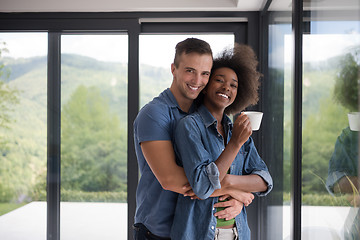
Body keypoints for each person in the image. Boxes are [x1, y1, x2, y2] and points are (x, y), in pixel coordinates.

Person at [133, 38, 246, 240]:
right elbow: (170, 180)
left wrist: (236, 197)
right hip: (158, 232)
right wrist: (236, 191)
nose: (197, 81)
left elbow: (223, 169)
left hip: (194, 230)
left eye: (205, 74)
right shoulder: (154, 114)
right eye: (190, 70)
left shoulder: (205, 115)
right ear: (173, 69)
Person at [171, 44, 273, 240]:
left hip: (237, 233)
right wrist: (234, 144)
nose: (227, 87)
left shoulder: (237, 131)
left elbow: (264, 181)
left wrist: (230, 185)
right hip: (198, 234)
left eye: (233, 85)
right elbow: (202, 187)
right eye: (219, 80)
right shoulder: (189, 126)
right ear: (205, 85)